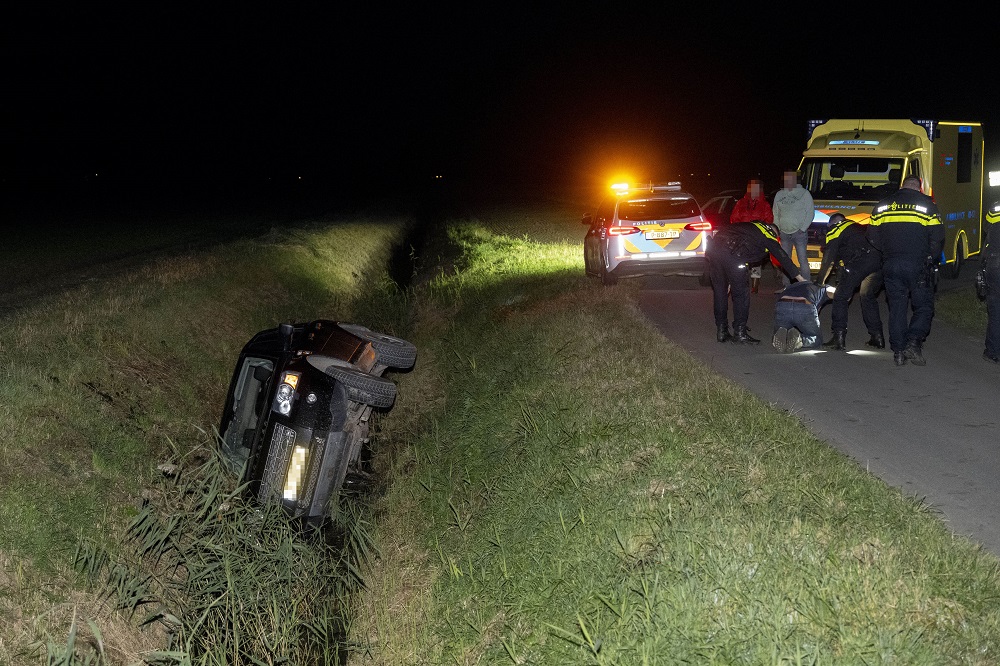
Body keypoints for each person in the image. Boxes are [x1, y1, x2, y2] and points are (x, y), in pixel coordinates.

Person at [867, 175, 944, 366]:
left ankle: (899, 352)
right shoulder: (927, 205)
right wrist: (930, 258)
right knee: (924, 306)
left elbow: (871, 236)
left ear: (902, 186)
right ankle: (913, 342)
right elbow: (938, 237)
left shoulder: (883, 205)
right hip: (918, 264)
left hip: (891, 264)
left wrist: (886, 251)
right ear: (919, 188)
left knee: (897, 308)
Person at [707, 220, 807, 344]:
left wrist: (728, 279)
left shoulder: (751, 227)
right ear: (774, 232)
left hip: (714, 249)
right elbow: (782, 256)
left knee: (720, 293)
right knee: (741, 294)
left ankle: (722, 331)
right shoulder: (768, 232)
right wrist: (800, 278)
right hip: (732, 253)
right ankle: (740, 333)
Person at [815, 212, 886, 350]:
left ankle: (838, 338)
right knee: (867, 296)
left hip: (861, 262)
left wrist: (819, 283)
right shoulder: (856, 228)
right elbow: (843, 261)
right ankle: (877, 337)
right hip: (879, 262)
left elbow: (828, 259)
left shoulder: (835, 229)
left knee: (840, 297)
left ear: (832, 223)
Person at [729, 178, 774, 293]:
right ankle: (741, 282)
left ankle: (755, 285)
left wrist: (760, 229)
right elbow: (734, 218)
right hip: (742, 235)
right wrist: (738, 229)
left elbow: (769, 220)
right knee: (741, 260)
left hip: (756, 236)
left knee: (756, 260)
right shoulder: (741, 203)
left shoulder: (764, 204)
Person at [772, 169, 815, 287]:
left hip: (799, 232)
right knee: (785, 260)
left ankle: (806, 284)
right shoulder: (779, 194)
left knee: (802, 259)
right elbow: (775, 212)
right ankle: (786, 285)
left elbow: (810, 212)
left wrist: (803, 228)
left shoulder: (804, 194)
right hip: (784, 233)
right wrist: (777, 228)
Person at [772, 280, 836, 353]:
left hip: (783, 305)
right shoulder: (824, 287)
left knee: (781, 329)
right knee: (816, 339)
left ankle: (780, 335)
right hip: (804, 306)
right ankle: (799, 340)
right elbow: (838, 293)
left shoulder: (793, 285)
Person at [980, 201, 1000, 364]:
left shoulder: (995, 207)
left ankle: (993, 351)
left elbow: (987, 228)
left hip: (995, 264)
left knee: (995, 310)